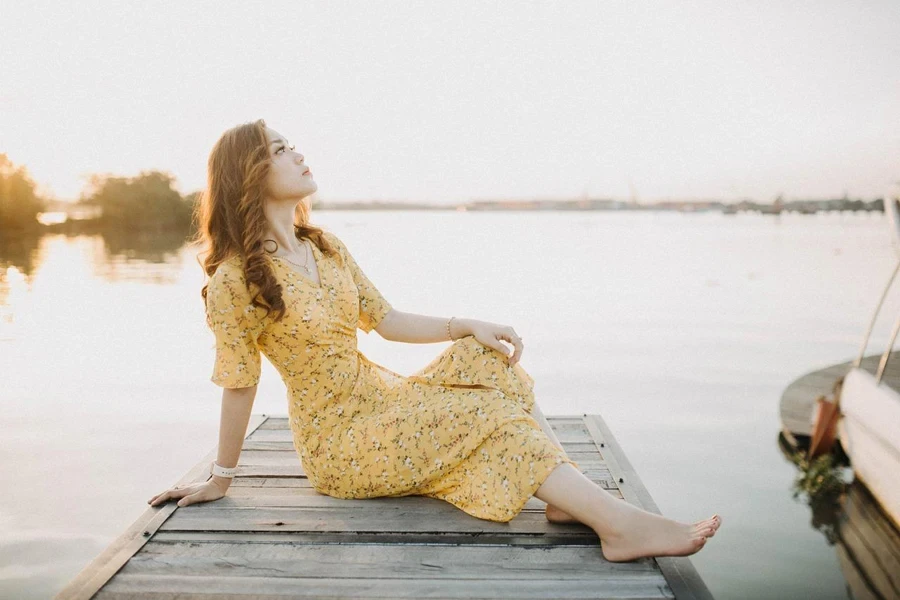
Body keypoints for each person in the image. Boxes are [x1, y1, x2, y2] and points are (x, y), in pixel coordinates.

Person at [148, 118, 721, 562]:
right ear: (247, 175)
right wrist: (221, 478)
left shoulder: (325, 247)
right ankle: (616, 523)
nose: (297, 153)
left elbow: (387, 319)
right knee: (484, 413)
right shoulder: (235, 278)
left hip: (384, 400)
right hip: (339, 442)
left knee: (485, 360)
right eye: (278, 149)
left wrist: (466, 323)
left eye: (292, 143)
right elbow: (238, 382)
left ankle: (568, 502)